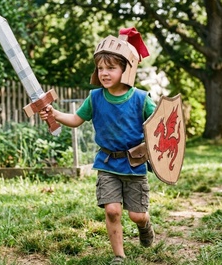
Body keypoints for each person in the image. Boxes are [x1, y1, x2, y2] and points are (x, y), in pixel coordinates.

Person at [39, 27, 156, 264]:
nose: (104, 73)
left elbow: (159, 128)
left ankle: (145, 225)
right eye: (100, 68)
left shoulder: (141, 99)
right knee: (112, 211)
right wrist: (55, 113)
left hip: (134, 164)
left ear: (126, 69)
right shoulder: (95, 98)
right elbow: (75, 120)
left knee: (137, 215)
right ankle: (119, 256)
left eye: (111, 68)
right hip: (107, 163)